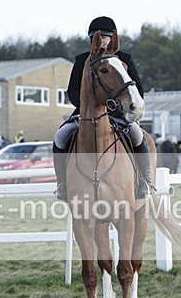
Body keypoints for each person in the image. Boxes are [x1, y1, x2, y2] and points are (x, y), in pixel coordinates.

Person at [52, 16, 150, 200]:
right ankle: (62, 184)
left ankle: (144, 180)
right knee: (60, 136)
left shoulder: (123, 59)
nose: (104, 40)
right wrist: (87, 108)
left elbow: (137, 90)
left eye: (107, 37)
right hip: (87, 115)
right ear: (93, 38)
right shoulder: (82, 60)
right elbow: (72, 90)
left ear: (113, 39)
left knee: (137, 135)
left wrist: (119, 109)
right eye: (100, 37)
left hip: (118, 114)